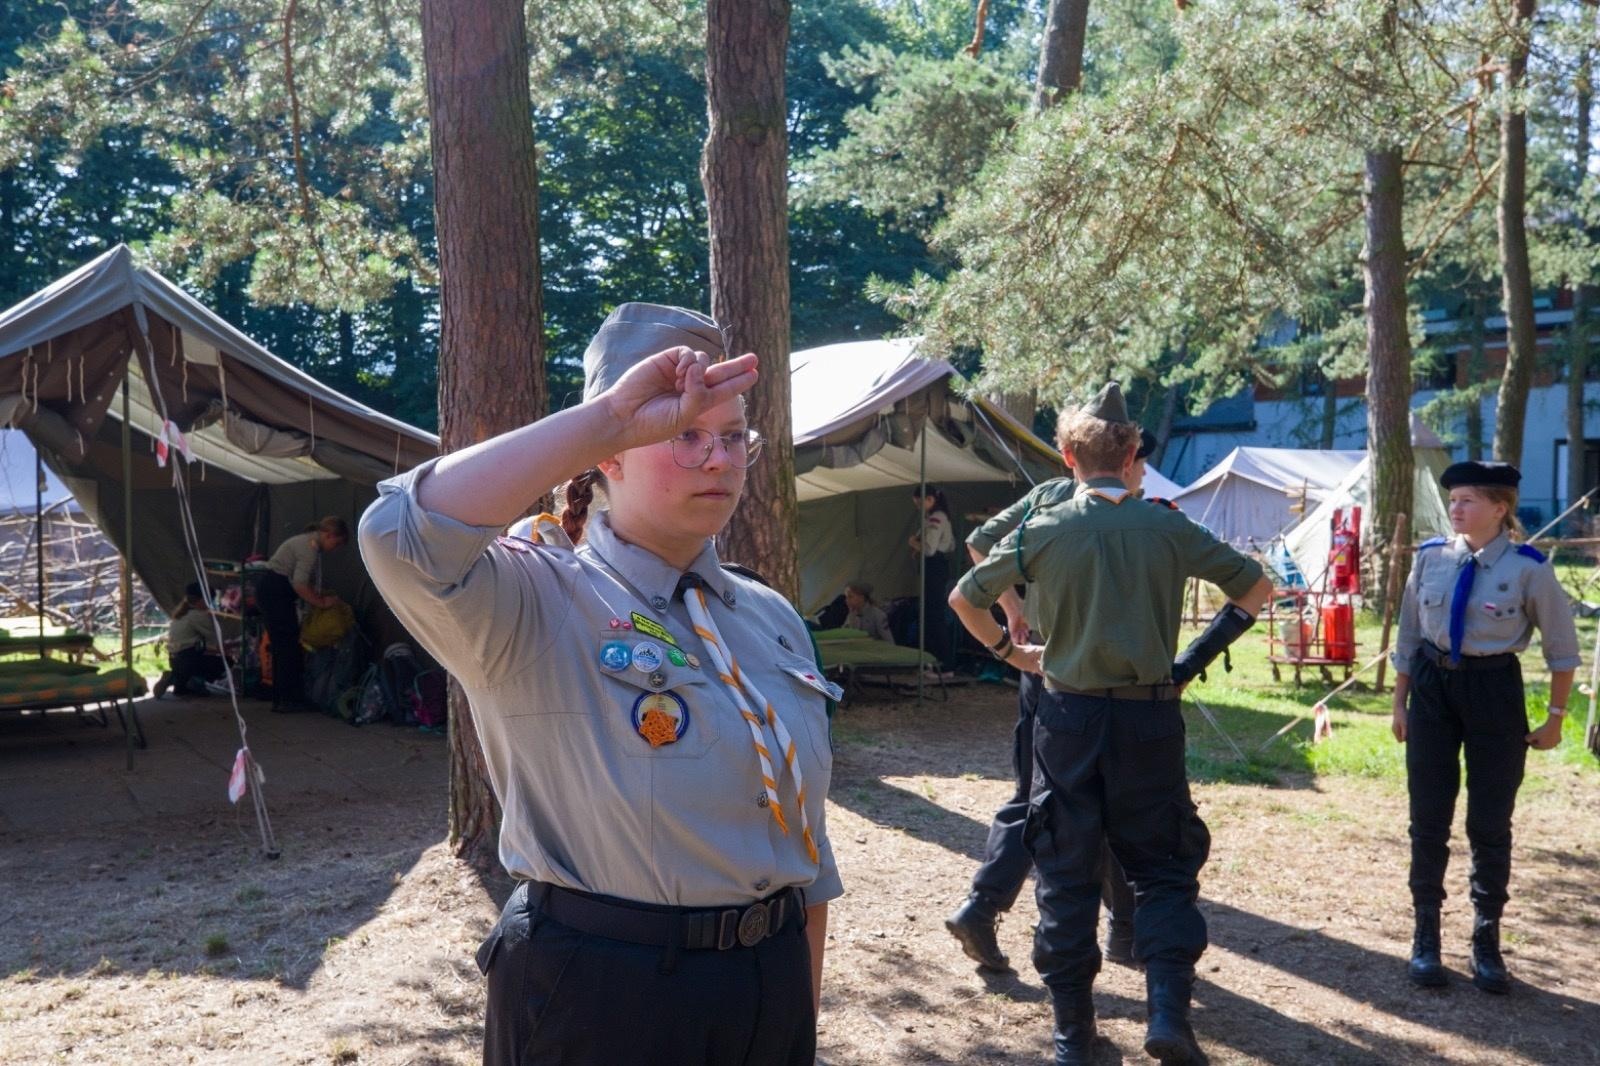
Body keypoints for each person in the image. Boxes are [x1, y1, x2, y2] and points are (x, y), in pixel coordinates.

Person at [359, 303, 840, 1066]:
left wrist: (795, 1021)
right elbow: (399, 536)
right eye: (682, 434)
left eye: (729, 436)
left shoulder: (770, 617)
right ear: (610, 456)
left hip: (766, 989)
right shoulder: (536, 601)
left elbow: (805, 854)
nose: (717, 459)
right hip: (606, 1003)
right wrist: (610, 418)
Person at [949, 383, 1269, 1066]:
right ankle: (1169, 1020)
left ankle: (1073, 1039)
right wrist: (1190, 662)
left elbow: (962, 595)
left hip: (1065, 716)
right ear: (1131, 455)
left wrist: (1015, 654)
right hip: (1149, 719)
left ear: (1067, 455)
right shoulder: (1166, 523)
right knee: (1163, 870)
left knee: (1066, 875)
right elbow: (1256, 588)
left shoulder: (1045, 526)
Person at [944, 428, 1162, 973]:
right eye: (1137, 462)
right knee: (1091, 797)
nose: (1137, 472)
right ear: (1124, 460)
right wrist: (1011, 615)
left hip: (1040, 665)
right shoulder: (1110, 511)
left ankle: (1116, 927)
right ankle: (996, 908)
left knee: (1045, 795)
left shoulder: (1045, 496)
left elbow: (979, 544)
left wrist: (1013, 610)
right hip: (1089, 679)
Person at [1390, 460, 1577, 994]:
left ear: (1501, 507)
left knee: (1490, 820)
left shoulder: (1528, 569)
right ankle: (1425, 935)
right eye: (1453, 500)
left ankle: (1486, 938)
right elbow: (1407, 637)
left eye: (1468, 500)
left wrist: (1556, 719)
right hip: (1431, 686)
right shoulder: (1430, 559)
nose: (1455, 508)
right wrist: (1400, 703)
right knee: (1427, 816)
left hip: (1494, 689)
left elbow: (1562, 650)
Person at [259, 516, 348, 712]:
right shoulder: (309, 548)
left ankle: (284, 698)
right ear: (328, 535)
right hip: (275, 592)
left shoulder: (304, 542)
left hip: (273, 590)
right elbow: (300, 583)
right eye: (337, 542)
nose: (335, 548)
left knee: (284, 645)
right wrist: (321, 602)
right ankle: (287, 699)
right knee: (286, 645)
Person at [153, 582, 226, 698]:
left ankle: (180, 682)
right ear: (201, 600)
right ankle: (192, 680)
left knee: (181, 690)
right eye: (209, 600)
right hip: (188, 659)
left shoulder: (181, 613)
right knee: (225, 662)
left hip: (175, 659)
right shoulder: (198, 615)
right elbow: (215, 640)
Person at [910, 485, 956, 666]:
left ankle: (944, 663)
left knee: (934, 615)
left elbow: (929, 549)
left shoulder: (937, 518)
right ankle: (934, 661)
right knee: (929, 614)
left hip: (935, 567)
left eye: (920, 503)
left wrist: (914, 543)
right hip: (935, 567)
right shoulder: (933, 517)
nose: (919, 508)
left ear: (930, 500)